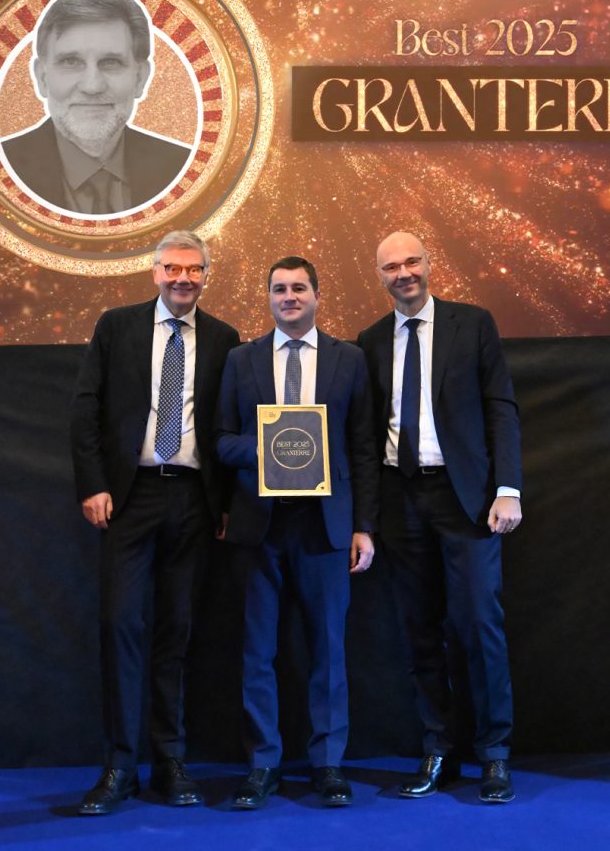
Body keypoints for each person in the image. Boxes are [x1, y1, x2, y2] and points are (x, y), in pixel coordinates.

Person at [71, 229, 239, 814]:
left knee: (178, 630)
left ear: (206, 275)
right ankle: (120, 766)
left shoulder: (224, 338)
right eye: (172, 268)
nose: (182, 279)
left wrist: (225, 504)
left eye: (193, 270)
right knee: (120, 623)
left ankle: (170, 761)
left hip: (194, 500)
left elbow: (227, 426)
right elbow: (86, 408)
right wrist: (93, 483)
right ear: (155, 272)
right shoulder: (116, 327)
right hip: (129, 496)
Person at [357, 232, 522, 804]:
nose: (403, 273)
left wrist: (507, 489)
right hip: (400, 500)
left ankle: (494, 755)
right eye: (391, 266)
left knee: (478, 624)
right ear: (379, 276)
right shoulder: (370, 341)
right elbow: (365, 436)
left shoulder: (472, 324)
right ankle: (438, 750)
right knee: (419, 632)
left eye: (412, 262)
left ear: (430, 264)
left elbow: (501, 408)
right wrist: (365, 518)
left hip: (467, 500)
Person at [215, 256, 378, 809]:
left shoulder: (349, 359)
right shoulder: (240, 360)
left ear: (316, 295)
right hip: (259, 525)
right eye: (279, 289)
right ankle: (262, 764)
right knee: (257, 651)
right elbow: (221, 439)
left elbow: (363, 448)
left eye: (299, 288)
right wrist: (269, 446)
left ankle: (328, 764)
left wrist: (364, 526)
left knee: (328, 650)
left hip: (325, 525)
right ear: (268, 297)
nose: (289, 296)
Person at [1, 0, 192, 214]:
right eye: (71, 62)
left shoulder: (184, 169)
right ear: (42, 78)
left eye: (111, 62)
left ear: (140, 78)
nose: (92, 86)